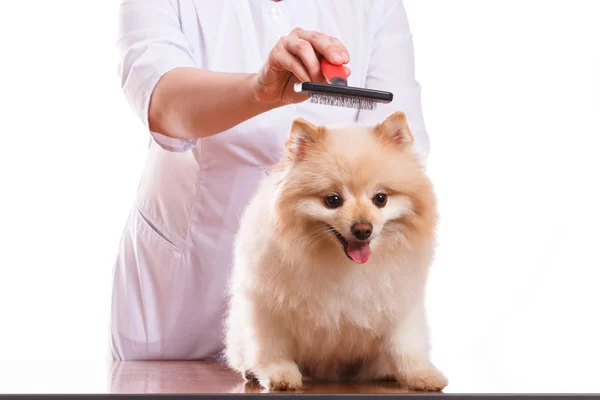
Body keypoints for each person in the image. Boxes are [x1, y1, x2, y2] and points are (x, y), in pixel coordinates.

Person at [111, 0, 430, 361]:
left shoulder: (375, 6)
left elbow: (398, 154)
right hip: (182, 301)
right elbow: (163, 104)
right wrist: (258, 90)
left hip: (321, 309)